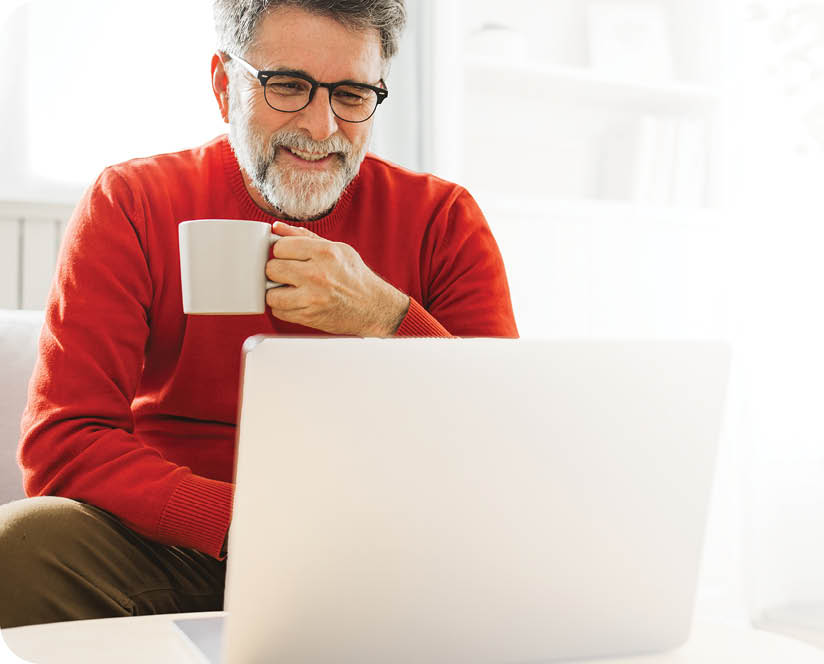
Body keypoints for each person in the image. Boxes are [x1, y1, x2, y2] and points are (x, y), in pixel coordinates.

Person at [0, 0, 517, 628]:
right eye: (289, 87)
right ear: (225, 86)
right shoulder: (131, 202)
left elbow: (499, 444)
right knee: (20, 545)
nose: (323, 127)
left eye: (352, 94)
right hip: (177, 545)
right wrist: (245, 524)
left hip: (378, 550)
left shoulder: (444, 221)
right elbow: (63, 441)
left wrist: (389, 315)